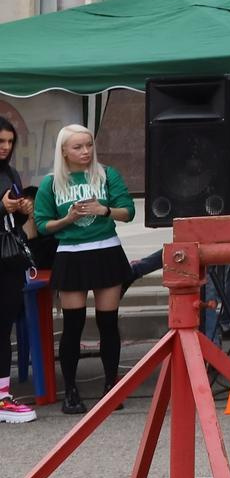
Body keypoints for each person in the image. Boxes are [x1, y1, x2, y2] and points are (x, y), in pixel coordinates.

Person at [33, 126, 134, 415]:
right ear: (64, 151)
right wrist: (68, 218)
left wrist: (103, 210)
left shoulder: (107, 174)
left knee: (108, 322)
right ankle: (72, 391)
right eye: (77, 147)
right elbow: (43, 225)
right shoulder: (51, 183)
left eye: (88, 145)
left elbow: (128, 211)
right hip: (71, 255)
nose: (85, 151)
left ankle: (110, 388)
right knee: (73, 325)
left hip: (106, 250)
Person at [0, 121, 35, 422]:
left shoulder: (10, 173)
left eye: (10, 141)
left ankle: (2, 397)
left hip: (8, 260)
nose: (6, 147)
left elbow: (15, 224)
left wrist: (22, 209)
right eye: (1, 141)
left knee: (4, 326)